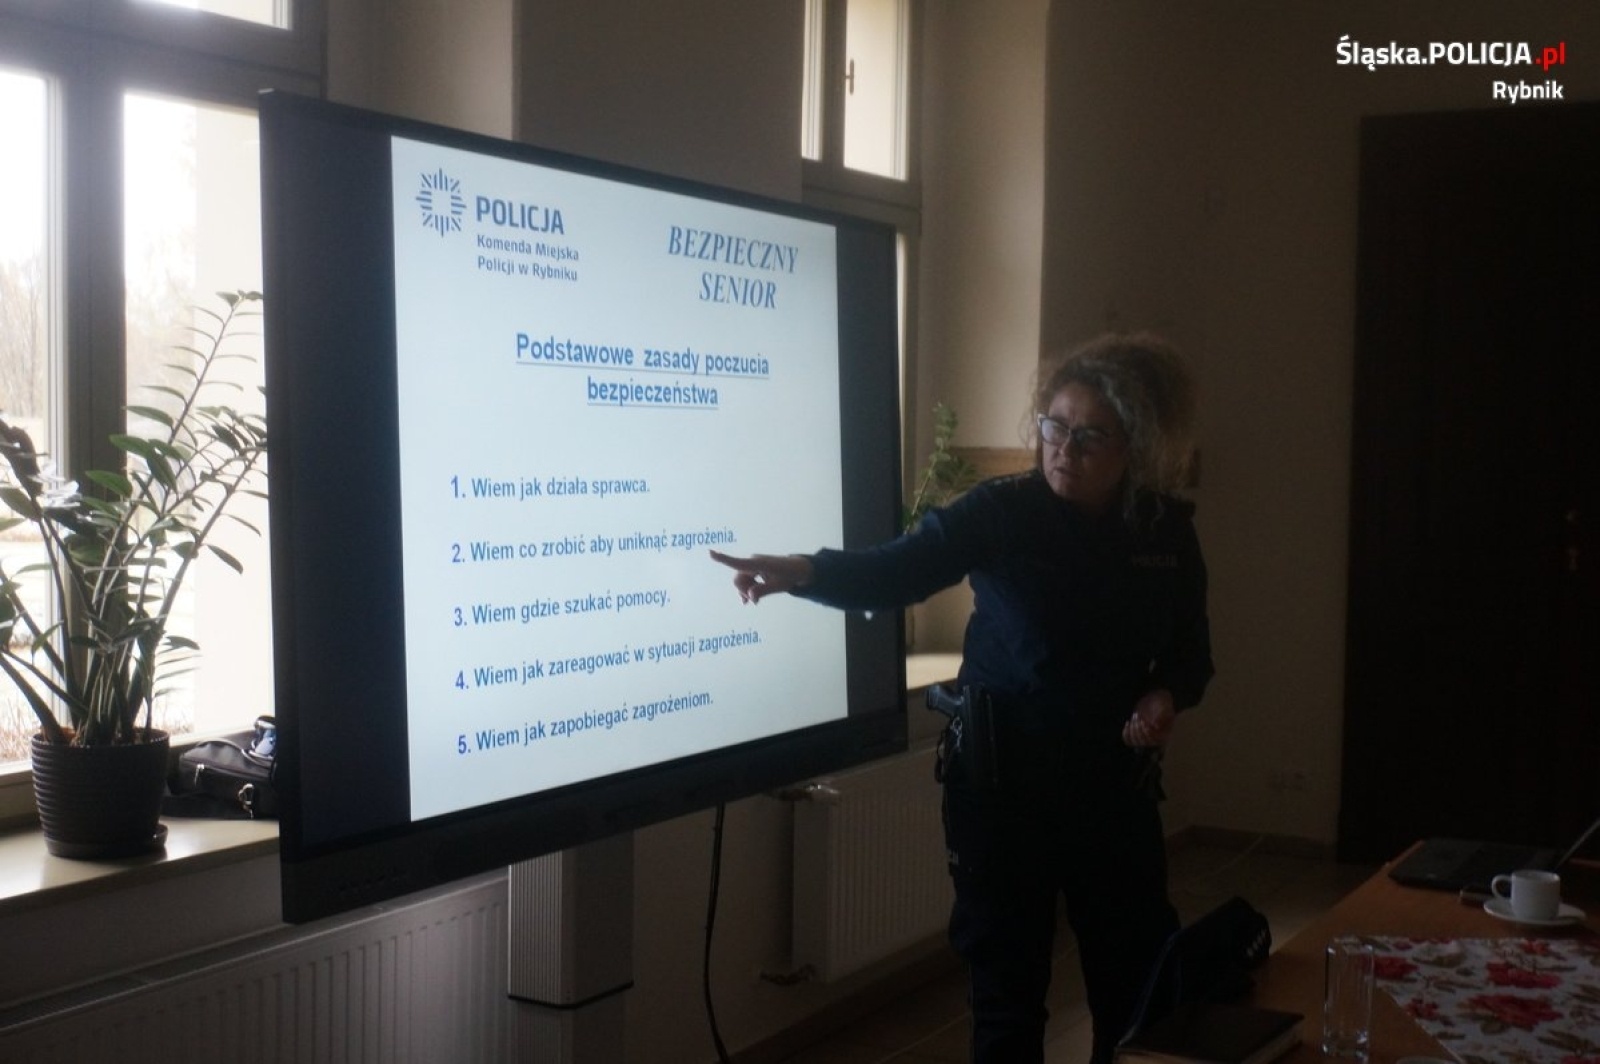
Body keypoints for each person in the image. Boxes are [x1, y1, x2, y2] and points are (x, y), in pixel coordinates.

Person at [711, 333, 1213, 1064]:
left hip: (1113, 791)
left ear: (1134, 444)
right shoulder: (1001, 512)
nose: (1064, 449)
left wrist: (1164, 697)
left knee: (1137, 986)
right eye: (1054, 426)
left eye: (1090, 436)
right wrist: (803, 571)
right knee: (1007, 995)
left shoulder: (1163, 530)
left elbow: (1191, 656)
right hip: (1002, 792)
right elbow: (897, 571)